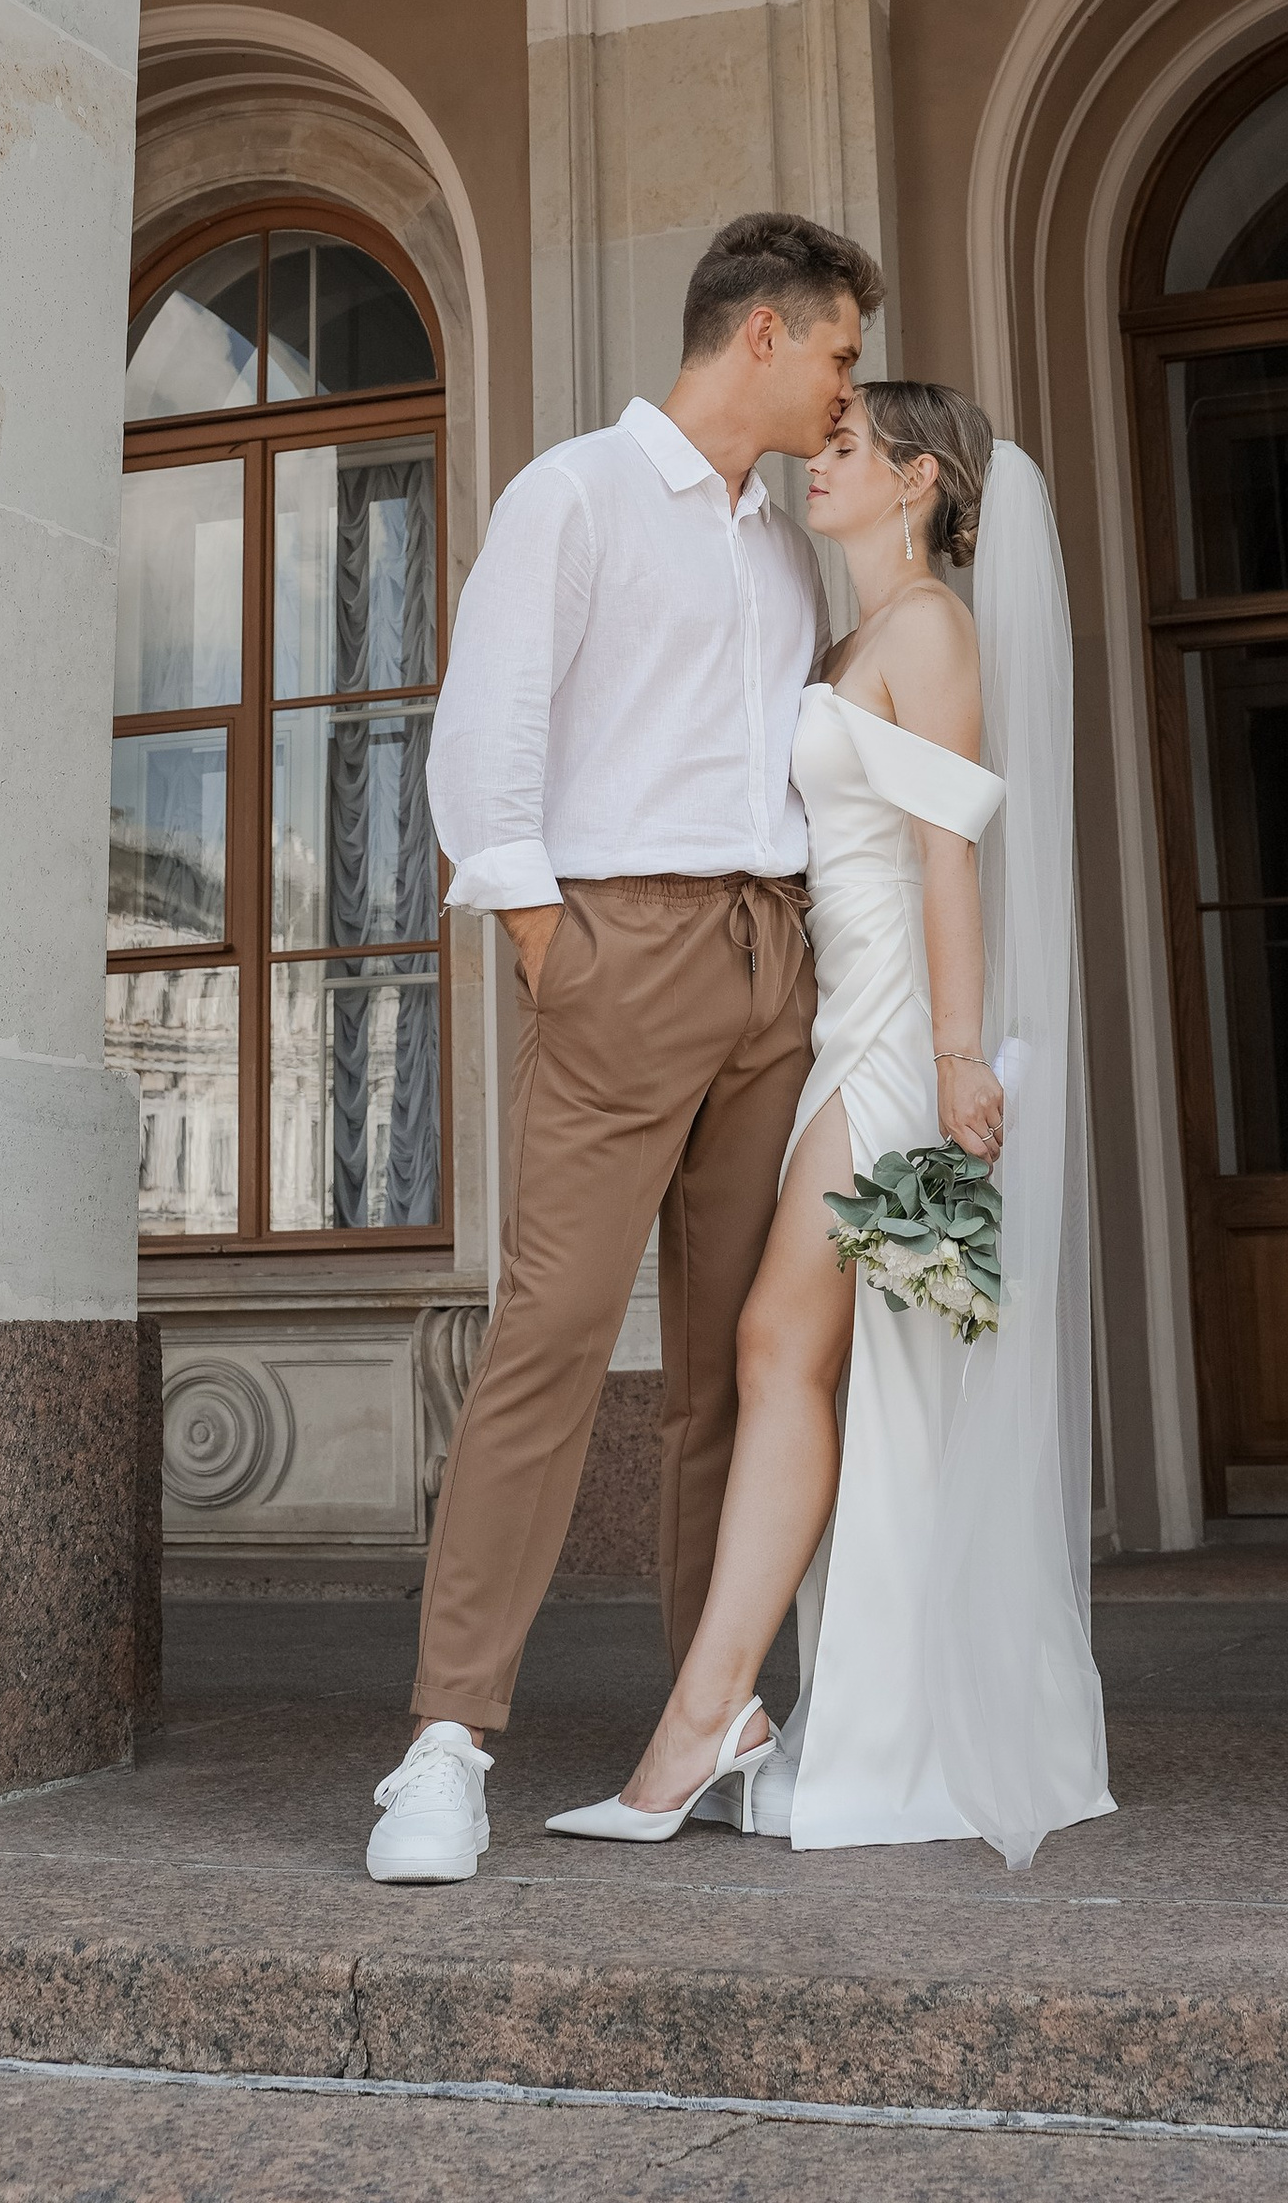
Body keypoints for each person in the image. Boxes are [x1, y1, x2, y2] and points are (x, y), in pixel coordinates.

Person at [363, 210, 883, 1886]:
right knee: (555, 1339)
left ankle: (714, 1710)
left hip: (765, 957)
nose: (845, 390)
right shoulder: (572, 495)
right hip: (620, 949)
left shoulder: (781, 551)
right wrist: (554, 953)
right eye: (839, 355)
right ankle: (445, 1744)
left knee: (738, 1359)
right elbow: (482, 746)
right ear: (762, 336)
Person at [545, 383, 1112, 1867]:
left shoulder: (927, 629)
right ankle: (760, 1715)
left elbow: (947, 864)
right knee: (829, 1365)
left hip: (895, 1049)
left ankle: (715, 1723)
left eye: (849, 446)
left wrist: (953, 1054)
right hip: (840, 1033)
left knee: (787, 1351)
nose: (822, 458)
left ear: (915, 481)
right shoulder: (854, 635)